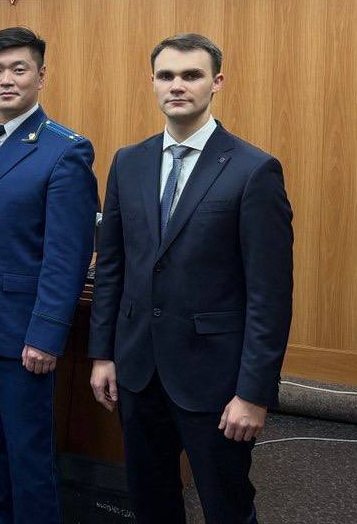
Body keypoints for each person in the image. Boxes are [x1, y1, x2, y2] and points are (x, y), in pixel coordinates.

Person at [88, 33, 293, 524]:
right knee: (150, 501)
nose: (177, 85)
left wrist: (254, 394)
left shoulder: (254, 170)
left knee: (226, 506)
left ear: (216, 82)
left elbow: (269, 296)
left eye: (191, 75)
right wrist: (102, 354)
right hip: (138, 371)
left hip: (214, 380)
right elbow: (112, 266)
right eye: (166, 76)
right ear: (152, 82)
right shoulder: (128, 162)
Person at [0, 27, 98, 524]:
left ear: (41, 76)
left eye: (18, 69)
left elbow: (67, 255)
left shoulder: (64, 149)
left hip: (22, 332)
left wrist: (46, 336)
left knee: (28, 456)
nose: (5, 80)